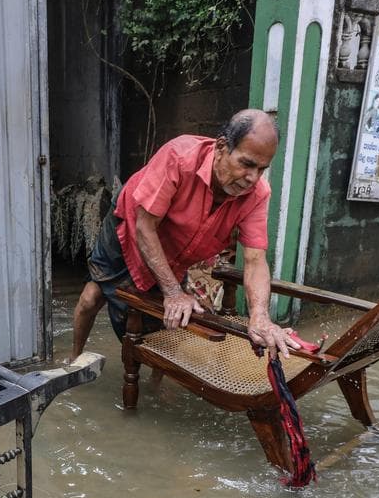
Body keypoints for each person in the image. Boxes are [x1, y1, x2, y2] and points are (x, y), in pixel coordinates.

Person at [69, 109, 297, 362]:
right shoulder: (179, 156)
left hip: (175, 247)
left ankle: (157, 385)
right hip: (131, 224)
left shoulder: (258, 193)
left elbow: (255, 259)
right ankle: (73, 359)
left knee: (172, 318)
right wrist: (173, 292)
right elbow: (144, 228)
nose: (252, 178)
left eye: (262, 169)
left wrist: (260, 316)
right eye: (246, 164)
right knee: (93, 297)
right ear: (221, 147)